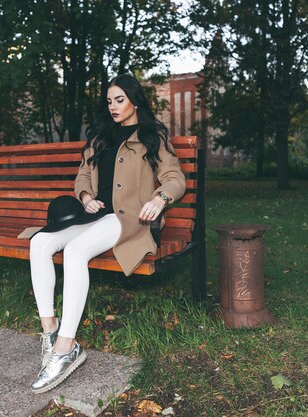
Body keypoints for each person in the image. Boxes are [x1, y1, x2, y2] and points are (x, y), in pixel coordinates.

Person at [28, 73, 186, 393]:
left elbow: (174, 178)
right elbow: (82, 176)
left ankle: (66, 347)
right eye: (109, 101)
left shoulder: (152, 136)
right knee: (40, 241)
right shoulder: (100, 135)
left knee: (74, 252)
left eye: (120, 100)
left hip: (127, 218)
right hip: (95, 215)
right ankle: (50, 328)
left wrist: (159, 198)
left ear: (134, 100)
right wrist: (85, 198)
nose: (113, 107)